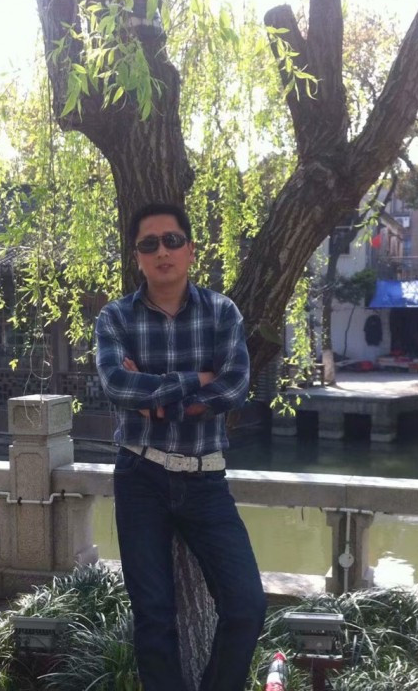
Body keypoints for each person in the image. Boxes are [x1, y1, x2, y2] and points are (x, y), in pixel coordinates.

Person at [95, 202, 267, 691]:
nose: (162, 252)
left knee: (246, 605)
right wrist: (198, 380)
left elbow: (234, 388)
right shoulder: (115, 318)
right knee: (153, 615)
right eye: (149, 244)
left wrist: (155, 400)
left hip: (205, 477)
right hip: (140, 476)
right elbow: (115, 385)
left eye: (172, 240)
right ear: (137, 256)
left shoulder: (221, 312)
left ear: (190, 249)